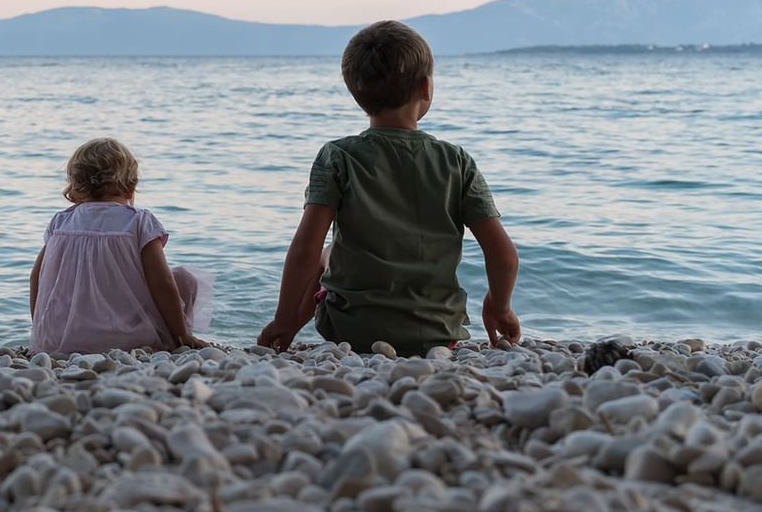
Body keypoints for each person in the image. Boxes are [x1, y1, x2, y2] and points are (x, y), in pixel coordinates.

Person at [257, 20, 520, 357]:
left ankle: (285, 331)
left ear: (356, 94)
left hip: (350, 331)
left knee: (325, 254)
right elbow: (503, 255)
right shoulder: (457, 161)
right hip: (439, 333)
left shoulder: (338, 157)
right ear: (425, 87)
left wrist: (282, 316)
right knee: (327, 254)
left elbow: (304, 250)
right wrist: (500, 308)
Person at [30, 137, 213, 353]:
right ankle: (178, 339)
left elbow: (37, 277)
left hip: (60, 341)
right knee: (184, 279)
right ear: (131, 185)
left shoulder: (60, 222)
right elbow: (161, 283)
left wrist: (41, 330)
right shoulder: (139, 222)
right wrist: (182, 333)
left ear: (75, 187)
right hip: (127, 340)